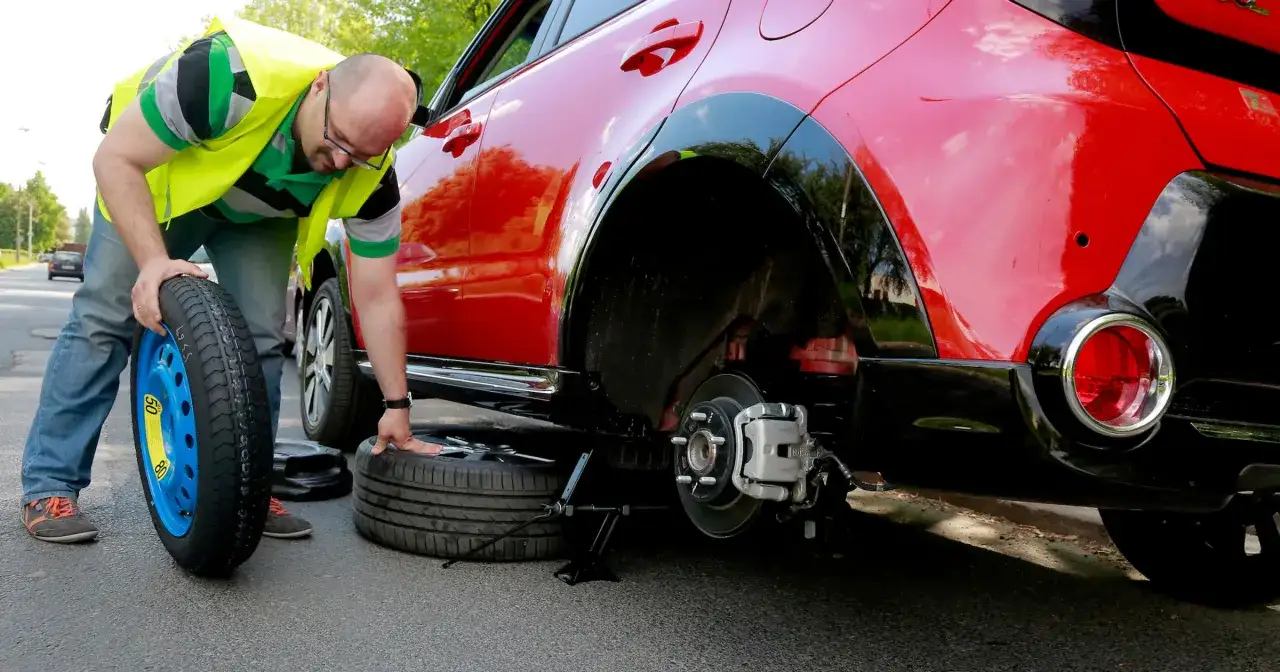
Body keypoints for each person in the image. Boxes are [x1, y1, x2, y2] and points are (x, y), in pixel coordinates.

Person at [20, 16, 436, 544]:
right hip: (156, 180)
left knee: (261, 339)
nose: (339, 164)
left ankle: (248, 490)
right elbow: (116, 159)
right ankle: (50, 484)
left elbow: (377, 297)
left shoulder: (374, 174)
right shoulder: (227, 75)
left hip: (255, 213)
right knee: (105, 318)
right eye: (336, 142)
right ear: (319, 86)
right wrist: (152, 264)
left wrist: (397, 407)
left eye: (359, 156)